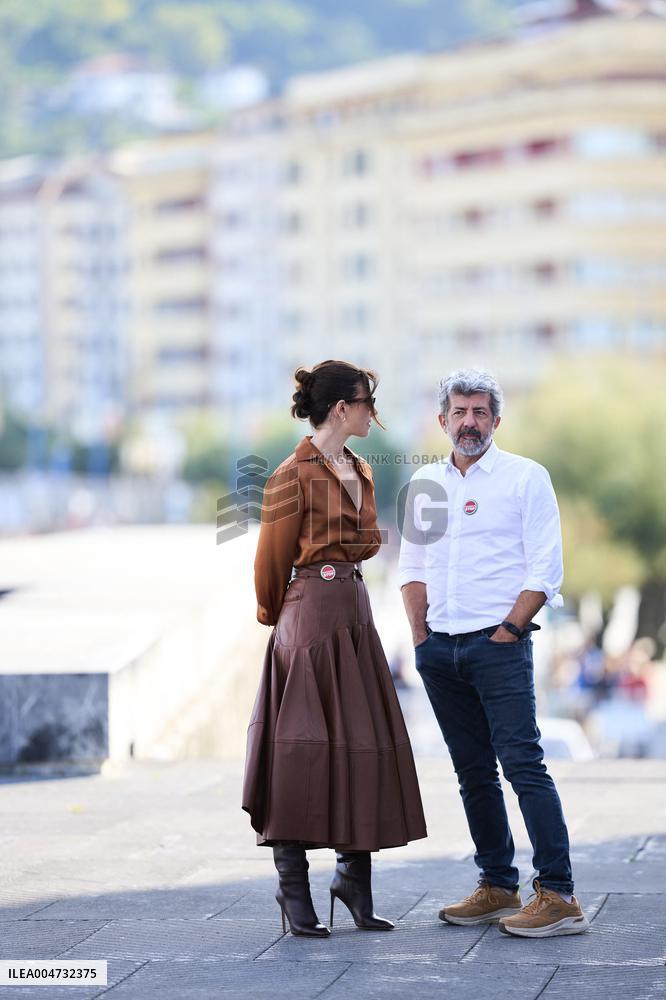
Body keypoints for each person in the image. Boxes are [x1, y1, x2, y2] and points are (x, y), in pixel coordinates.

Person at [398, 369, 589, 938]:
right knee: (473, 773)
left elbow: (545, 569)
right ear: (442, 421)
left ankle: (558, 894)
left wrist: (508, 631)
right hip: (440, 651)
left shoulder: (526, 478)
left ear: (496, 420)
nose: (469, 422)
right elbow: (411, 567)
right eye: (459, 412)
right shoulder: (425, 484)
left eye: (479, 412)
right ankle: (498, 885)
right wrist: (421, 640)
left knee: (523, 765)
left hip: (498, 646)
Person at [242, 359, 427, 937]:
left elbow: (368, 542)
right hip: (310, 617)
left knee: (363, 742)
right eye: (367, 403)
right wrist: (284, 623)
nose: (375, 413)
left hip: (354, 612)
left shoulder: (363, 469)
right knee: (303, 749)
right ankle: (292, 888)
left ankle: (353, 880)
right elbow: (268, 564)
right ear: (342, 409)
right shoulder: (289, 475)